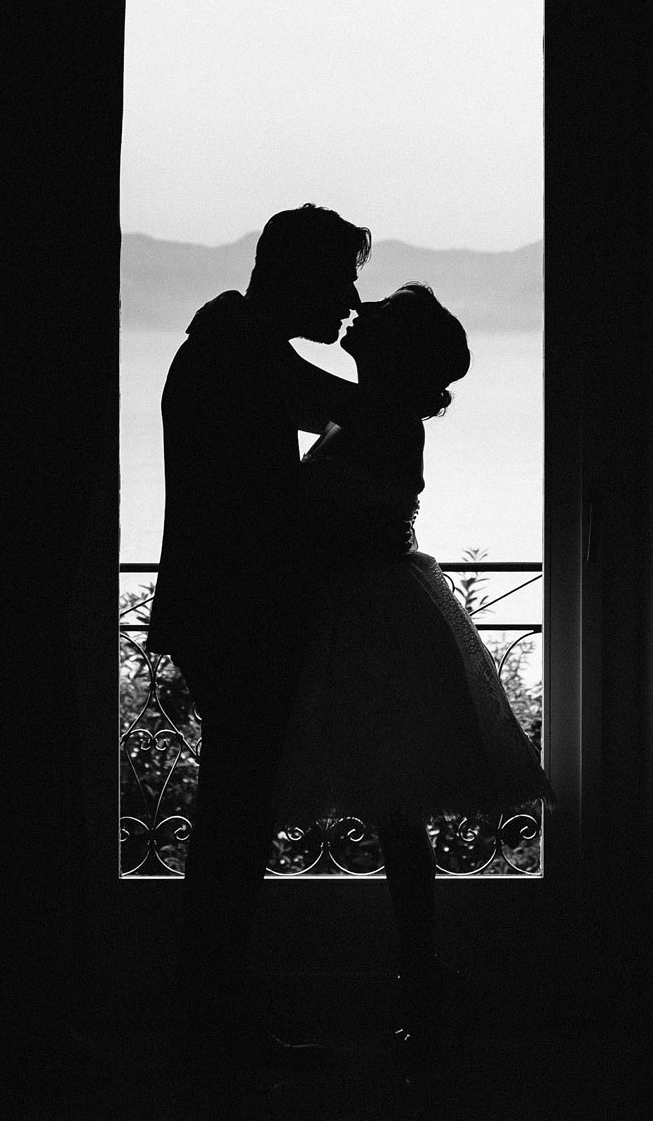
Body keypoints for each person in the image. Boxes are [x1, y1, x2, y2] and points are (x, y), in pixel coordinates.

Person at [269, 283, 554, 1056]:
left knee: (395, 809)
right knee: (395, 813)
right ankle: (420, 975)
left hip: (372, 619)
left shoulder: (381, 415)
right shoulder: (374, 410)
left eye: (381, 314)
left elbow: (300, 413)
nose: (360, 310)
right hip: (376, 609)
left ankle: (419, 975)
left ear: (394, 353)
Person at [148, 204, 367, 1075]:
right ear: (299, 276)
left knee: (233, 818)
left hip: (219, 613)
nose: (351, 298)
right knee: (234, 824)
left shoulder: (233, 340)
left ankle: (211, 1012)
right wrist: (384, 365)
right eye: (341, 279)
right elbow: (344, 409)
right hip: (234, 617)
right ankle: (214, 1020)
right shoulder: (242, 348)